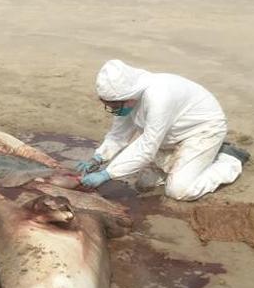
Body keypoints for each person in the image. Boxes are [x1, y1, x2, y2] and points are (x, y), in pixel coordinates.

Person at [74, 59, 244, 201]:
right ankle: (185, 163)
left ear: (128, 97)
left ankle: (228, 159)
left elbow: (147, 146)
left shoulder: (159, 97)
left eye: (115, 106)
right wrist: (98, 157)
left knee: (178, 191)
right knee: (145, 182)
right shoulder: (127, 98)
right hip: (170, 134)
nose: (114, 109)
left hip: (201, 130)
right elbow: (119, 133)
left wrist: (106, 174)